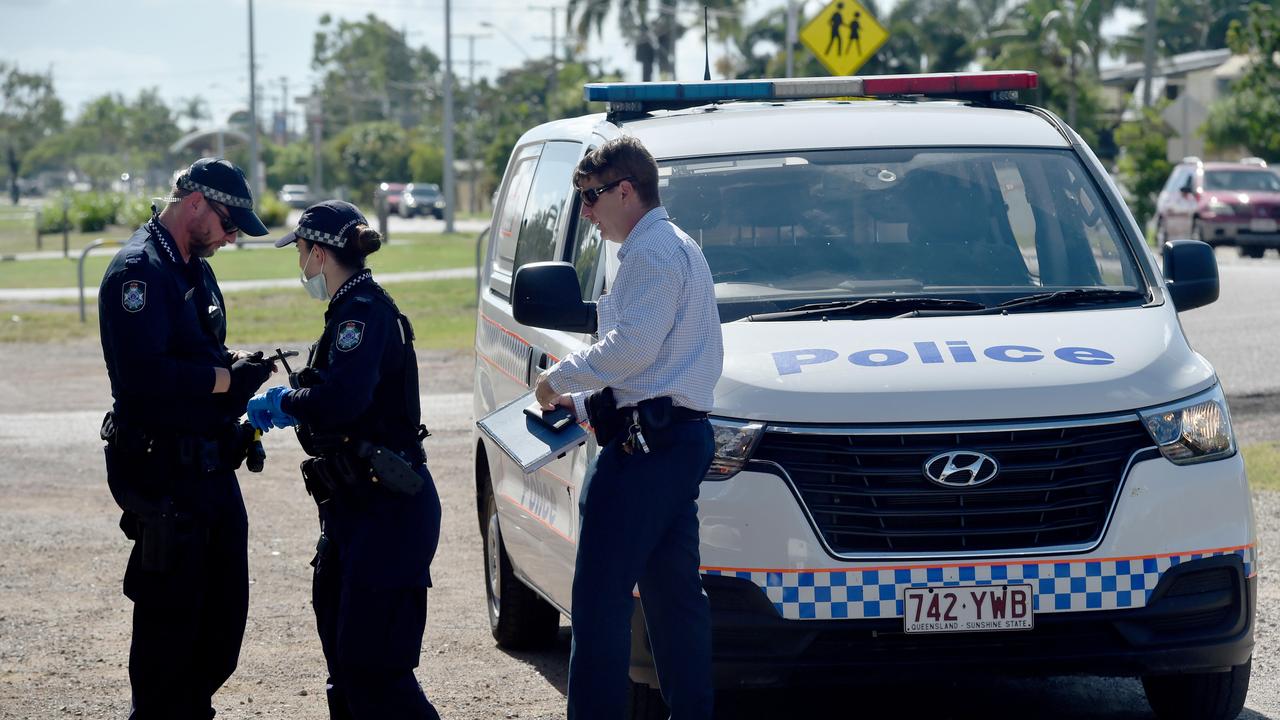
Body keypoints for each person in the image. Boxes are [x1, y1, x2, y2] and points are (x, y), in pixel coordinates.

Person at [534, 136, 725, 719]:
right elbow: (661, 365)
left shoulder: (651, 250)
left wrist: (558, 382)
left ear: (626, 190)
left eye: (591, 198)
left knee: (598, 601)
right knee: (672, 600)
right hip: (669, 435)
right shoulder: (673, 245)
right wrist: (588, 407)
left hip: (647, 449)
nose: (586, 213)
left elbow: (634, 349)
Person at [245, 200, 442, 719]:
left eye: (301, 253)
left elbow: (343, 400)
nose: (300, 264)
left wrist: (286, 403)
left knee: (377, 675)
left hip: (388, 511)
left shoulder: (362, 313)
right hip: (356, 510)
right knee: (346, 668)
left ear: (317, 252)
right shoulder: (349, 309)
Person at [98, 157, 275, 719]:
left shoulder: (193, 264)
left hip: (210, 471)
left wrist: (234, 366)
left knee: (221, 628)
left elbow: (196, 350)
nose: (229, 238)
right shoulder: (139, 270)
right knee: (168, 640)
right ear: (195, 203)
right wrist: (225, 380)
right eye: (228, 225)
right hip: (166, 477)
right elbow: (145, 379)